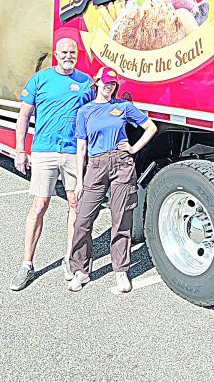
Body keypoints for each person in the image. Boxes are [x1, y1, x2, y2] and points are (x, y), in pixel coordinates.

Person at [8, 37, 94, 291]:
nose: (68, 55)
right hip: (44, 151)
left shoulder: (86, 83)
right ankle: (27, 264)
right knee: (40, 205)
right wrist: (20, 150)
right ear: (56, 54)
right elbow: (23, 115)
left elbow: (94, 114)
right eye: (64, 52)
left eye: (72, 52)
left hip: (72, 154)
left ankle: (70, 259)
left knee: (75, 205)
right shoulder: (40, 80)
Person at [68, 68, 157, 294]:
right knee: (82, 221)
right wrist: (80, 180)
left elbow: (150, 127)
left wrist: (134, 148)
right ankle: (81, 270)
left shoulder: (123, 107)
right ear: (97, 82)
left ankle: (121, 270)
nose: (109, 87)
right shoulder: (85, 112)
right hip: (95, 166)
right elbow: (81, 147)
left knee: (121, 219)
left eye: (113, 84)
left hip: (121, 164)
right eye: (106, 83)